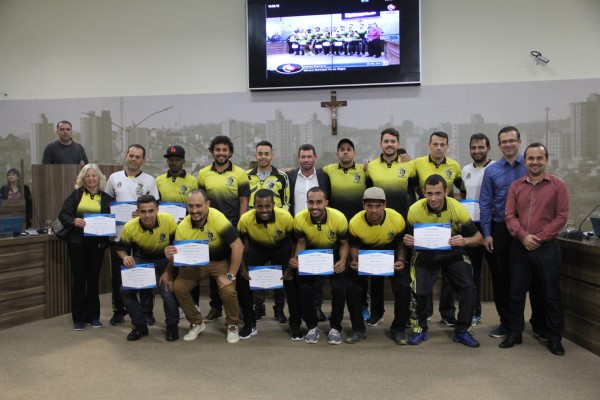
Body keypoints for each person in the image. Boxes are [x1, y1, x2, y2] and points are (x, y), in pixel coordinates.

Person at [500, 143, 569, 356]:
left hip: (547, 248)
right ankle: (514, 333)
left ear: (546, 160)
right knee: (515, 293)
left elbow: (562, 216)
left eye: (540, 158)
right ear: (526, 161)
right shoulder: (516, 186)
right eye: (531, 158)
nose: (535, 162)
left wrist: (539, 238)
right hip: (520, 247)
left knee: (551, 295)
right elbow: (510, 216)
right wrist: (523, 236)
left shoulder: (558, 186)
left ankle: (555, 337)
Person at [480, 126, 545, 339]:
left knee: (533, 278)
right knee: (501, 279)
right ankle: (506, 322)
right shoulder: (491, 170)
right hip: (500, 231)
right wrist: (487, 233)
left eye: (512, 140)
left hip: (528, 230)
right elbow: (485, 203)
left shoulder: (529, 166)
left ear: (519, 142)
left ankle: (537, 322)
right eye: (504, 141)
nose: (508, 144)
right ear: (499, 145)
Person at [403, 174, 483, 348]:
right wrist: (409, 243)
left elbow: (479, 238)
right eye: (429, 193)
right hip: (425, 251)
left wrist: (465, 241)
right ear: (423, 192)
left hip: (452, 250)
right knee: (419, 290)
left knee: (468, 286)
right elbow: (410, 242)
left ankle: (462, 331)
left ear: (446, 191)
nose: (433, 198)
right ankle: (419, 329)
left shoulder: (457, 208)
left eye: (438, 193)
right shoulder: (414, 210)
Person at [162, 189, 242, 344]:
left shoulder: (218, 217)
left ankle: (232, 324)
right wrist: (169, 267)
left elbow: (238, 246)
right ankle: (197, 322)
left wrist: (230, 276)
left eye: (198, 206)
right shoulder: (182, 227)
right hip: (197, 263)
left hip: (220, 261)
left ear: (208, 204)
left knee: (228, 290)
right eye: (190, 206)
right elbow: (178, 256)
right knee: (179, 287)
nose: (194, 210)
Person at [364, 128, 417, 327]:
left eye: (392, 141)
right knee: (376, 274)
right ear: (381, 144)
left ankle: (405, 315)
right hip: (377, 225)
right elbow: (367, 194)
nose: (389, 144)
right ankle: (377, 312)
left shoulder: (409, 166)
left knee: (402, 275)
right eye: (386, 141)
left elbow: (415, 191)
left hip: (401, 226)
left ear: (398, 143)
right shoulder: (371, 167)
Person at [104, 144, 160, 326]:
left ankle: (147, 311)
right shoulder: (114, 179)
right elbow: (106, 206)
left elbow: (155, 209)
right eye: (131, 155)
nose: (134, 159)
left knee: (143, 275)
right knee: (118, 277)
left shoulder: (150, 180)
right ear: (126, 156)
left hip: (142, 237)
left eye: (138, 157)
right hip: (118, 236)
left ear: (143, 160)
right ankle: (118, 311)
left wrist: (142, 214)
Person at [347, 187, 410, 345]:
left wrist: (401, 260)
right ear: (363, 205)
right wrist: (354, 260)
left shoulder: (396, 219)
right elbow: (353, 246)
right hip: (366, 252)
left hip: (390, 251)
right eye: (370, 206)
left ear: (385, 205)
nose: (374, 210)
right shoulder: (355, 222)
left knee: (403, 285)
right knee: (352, 287)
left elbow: (401, 244)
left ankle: (399, 329)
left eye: (378, 206)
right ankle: (358, 329)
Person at [413, 131, 464, 326]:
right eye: (435, 144)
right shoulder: (417, 163)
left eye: (443, 144)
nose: (439, 147)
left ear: (447, 146)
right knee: (425, 274)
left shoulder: (454, 166)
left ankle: (447, 312)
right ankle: (424, 313)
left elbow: (462, 191)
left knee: (449, 272)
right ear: (429, 145)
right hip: (424, 225)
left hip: (448, 226)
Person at [198, 135, 250, 323]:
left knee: (237, 268)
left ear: (230, 153)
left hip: (233, 228)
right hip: (211, 229)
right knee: (214, 269)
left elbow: (244, 201)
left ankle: (241, 308)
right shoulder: (203, 173)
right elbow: (201, 202)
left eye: (224, 150)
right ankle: (215, 307)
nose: (221, 153)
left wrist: (239, 226)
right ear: (213, 152)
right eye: (218, 150)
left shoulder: (240, 173)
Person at [288, 187, 349, 344]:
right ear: (307, 203)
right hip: (311, 253)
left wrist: (342, 260)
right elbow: (301, 243)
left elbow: (344, 243)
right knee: (305, 288)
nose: (314, 207)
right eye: (311, 202)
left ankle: (335, 327)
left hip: (333, 252)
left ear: (326, 203)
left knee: (338, 288)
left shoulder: (339, 218)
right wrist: (296, 258)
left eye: (319, 202)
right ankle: (311, 326)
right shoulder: (300, 218)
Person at [58, 164, 112, 330]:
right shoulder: (76, 195)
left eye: (93, 175)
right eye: (87, 176)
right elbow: (63, 214)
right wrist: (74, 221)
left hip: (97, 244)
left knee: (94, 280)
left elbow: (112, 218)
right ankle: (79, 318)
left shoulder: (106, 198)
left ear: (99, 178)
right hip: (77, 243)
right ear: (83, 179)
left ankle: (94, 317)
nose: (90, 178)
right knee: (80, 280)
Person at [117, 195, 179, 342]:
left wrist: (168, 272)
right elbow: (121, 249)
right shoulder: (130, 226)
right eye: (143, 211)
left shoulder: (168, 220)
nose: (147, 215)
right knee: (125, 290)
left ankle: (172, 326)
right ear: (137, 212)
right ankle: (140, 326)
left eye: (151, 211)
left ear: (157, 210)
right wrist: (125, 257)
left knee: (167, 291)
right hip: (143, 259)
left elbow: (177, 248)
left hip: (166, 259)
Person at [237, 189, 295, 339]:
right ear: (254, 205)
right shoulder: (245, 219)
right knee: (243, 281)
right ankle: (250, 323)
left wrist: (291, 266)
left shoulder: (285, 217)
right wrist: (242, 267)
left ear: (273, 205)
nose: (264, 210)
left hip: (281, 247)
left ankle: (294, 322)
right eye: (260, 206)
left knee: (291, 280)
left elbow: (296, 242)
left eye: (268, 206)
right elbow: (239, 244)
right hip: (257, 248)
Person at [323, 139, 370, 319]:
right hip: (337, 230)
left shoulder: (363, 170)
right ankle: (337, 311)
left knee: (359, 270)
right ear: (337, 153)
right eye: (341, 150)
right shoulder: (328, 170)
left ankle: (363, 306)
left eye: (349, 149)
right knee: (338, 272)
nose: (345, 152)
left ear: (354, 153)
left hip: (359, 229)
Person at [246, 140, 290, 322]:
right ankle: (259, 307)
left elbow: (287, 203)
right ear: (255, 155)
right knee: (255, 272)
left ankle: (279, 309)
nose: (263, 157)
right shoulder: (246, 176)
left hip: (277, 233)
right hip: (255, 231)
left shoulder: (281, 176)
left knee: (279, 272)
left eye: (266, 154)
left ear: (272, 155)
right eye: (260, 153)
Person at [287, 144, 331, 322]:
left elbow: (330, 200)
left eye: (309, 156)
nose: (306, 160)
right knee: (296, 271)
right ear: (298, 158)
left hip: (318, 229)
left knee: (317, 274)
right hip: (296, 230)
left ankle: (317, 308)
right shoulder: (289, 176)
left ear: (315, 157)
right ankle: (299, 310)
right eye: (303, 157)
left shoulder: (323, 176)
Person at [460, 133, 495, 325]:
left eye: (481, 147)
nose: (477, 151)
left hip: (491, 226)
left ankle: (505, 319)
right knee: (471, 272)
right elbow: (463, 195)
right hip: (470, 226)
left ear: (488, 148)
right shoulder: (465, 169)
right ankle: (474, 312)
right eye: (473, 147)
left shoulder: (496, 167)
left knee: (498, 272)